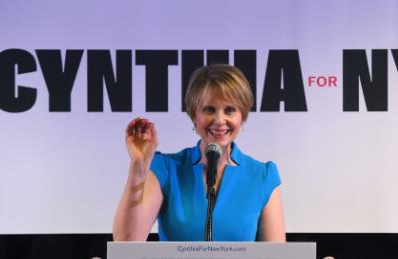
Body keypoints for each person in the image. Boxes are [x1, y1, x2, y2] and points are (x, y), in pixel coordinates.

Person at [113, 64, 285, 241]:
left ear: (242, 117)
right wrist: (139, 166)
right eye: (209, 109)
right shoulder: (165, 169)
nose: (219, 120)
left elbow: (277, 257)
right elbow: (126, 244)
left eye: (230, 110)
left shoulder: (263, 176)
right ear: (195, 115)